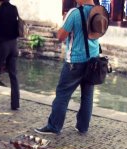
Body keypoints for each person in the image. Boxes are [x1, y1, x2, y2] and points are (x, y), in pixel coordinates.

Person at [34, 1, 108, 135]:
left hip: (75, 61)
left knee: (63, 94)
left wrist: (64, 22)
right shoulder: (100, 12)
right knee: (87, 95)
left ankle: (54, 126)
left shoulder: (74, 13)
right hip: (93, 61)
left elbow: (61, 36)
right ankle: (83, 127)